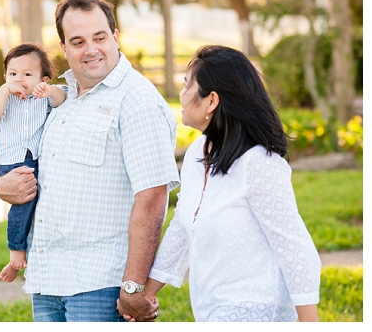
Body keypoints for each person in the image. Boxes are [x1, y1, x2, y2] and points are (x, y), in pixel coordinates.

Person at [0, 0, 180, 322]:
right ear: (64, 48)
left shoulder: (136, 101)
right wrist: (3, 187)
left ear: (115, 37)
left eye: (99, 37)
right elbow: (27, 159)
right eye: (78, 41)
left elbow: (152, 197)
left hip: (101, 284)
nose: (90, 49)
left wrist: (134, 287)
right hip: (48, 280)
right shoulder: (55, 96)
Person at [137, 45, 321, 322]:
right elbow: (182, 228)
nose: (182, 96)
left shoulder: (258, 163)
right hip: (211, 309)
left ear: (211, 101)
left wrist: (310, 323)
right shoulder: (197, 153)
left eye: (187, 86)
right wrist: (145, 296)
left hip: (256, 308)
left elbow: (293, 245)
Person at [0, 43, 68, 283]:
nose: (19, 79)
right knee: (22, 203)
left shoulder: (43, 98)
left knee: (38, 207)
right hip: (13, 162)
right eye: (13, 74)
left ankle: (35, 249)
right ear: (5, 77)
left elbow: (62, 99)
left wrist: (49, 91)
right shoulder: (4, 98)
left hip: (35, 158)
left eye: (27, 75)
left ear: (43, 78)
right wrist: (4, 90)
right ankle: (15, 252)